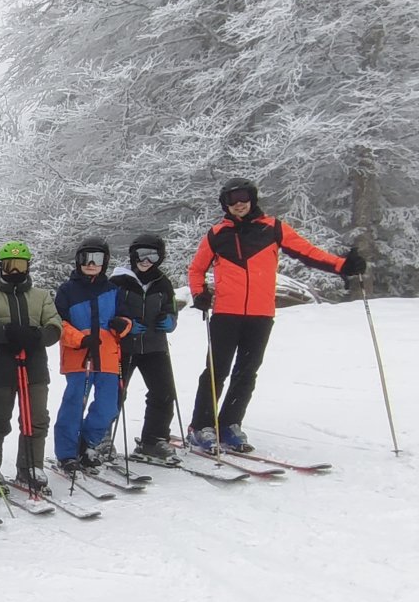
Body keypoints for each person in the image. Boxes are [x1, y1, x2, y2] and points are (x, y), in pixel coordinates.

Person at [187, 177, 366, 451]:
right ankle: (201, 426)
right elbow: (196, 269)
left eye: (244, 198)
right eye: (232, 200)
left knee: (247, 372)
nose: (239, 204)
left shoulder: (273, 229)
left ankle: (230, 424)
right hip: (226, 314)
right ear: (225, 204)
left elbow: (307, 252)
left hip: (260, 315)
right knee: (216, 371)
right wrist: (199, 293)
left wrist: (341, 265)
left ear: (253, 199)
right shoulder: (217, 234)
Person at [0, 242, 62, 494]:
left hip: (34, 368)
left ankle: (30, 467)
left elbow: (55, 325)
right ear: (1, 267)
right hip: (1, 369)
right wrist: (6, 332)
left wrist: (38, 337)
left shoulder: (41, 296)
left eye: (20, 265)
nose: (15, 271)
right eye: (10, 265)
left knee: (36, 419)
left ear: (28, 267)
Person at [54, 238, 131, 472]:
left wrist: (122, 325)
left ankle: (87, 443)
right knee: (74, 406)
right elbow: (59, 323)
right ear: (78, 260)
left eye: (96, 258)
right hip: (79, 357)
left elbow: (126, 319)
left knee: (109, 407)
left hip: (108, 356)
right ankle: (67, 453)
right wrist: (80, 339)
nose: (90, 264)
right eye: (85, 258)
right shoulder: (67, 290)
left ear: (104, 262)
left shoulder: (113, 290)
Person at [111, 235, 180, 460]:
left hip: (155, 346)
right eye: (141, 255)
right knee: (114, 393)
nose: (146, 261)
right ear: (133, 256)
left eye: (153, 256)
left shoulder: (162, 282)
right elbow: (108, 313)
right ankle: (100, 438)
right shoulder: (118, 281)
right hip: (124, 346)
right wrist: (123, 324)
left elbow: (171, 308)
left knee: (164, 392)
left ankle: (154, 439)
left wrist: (170, 320)